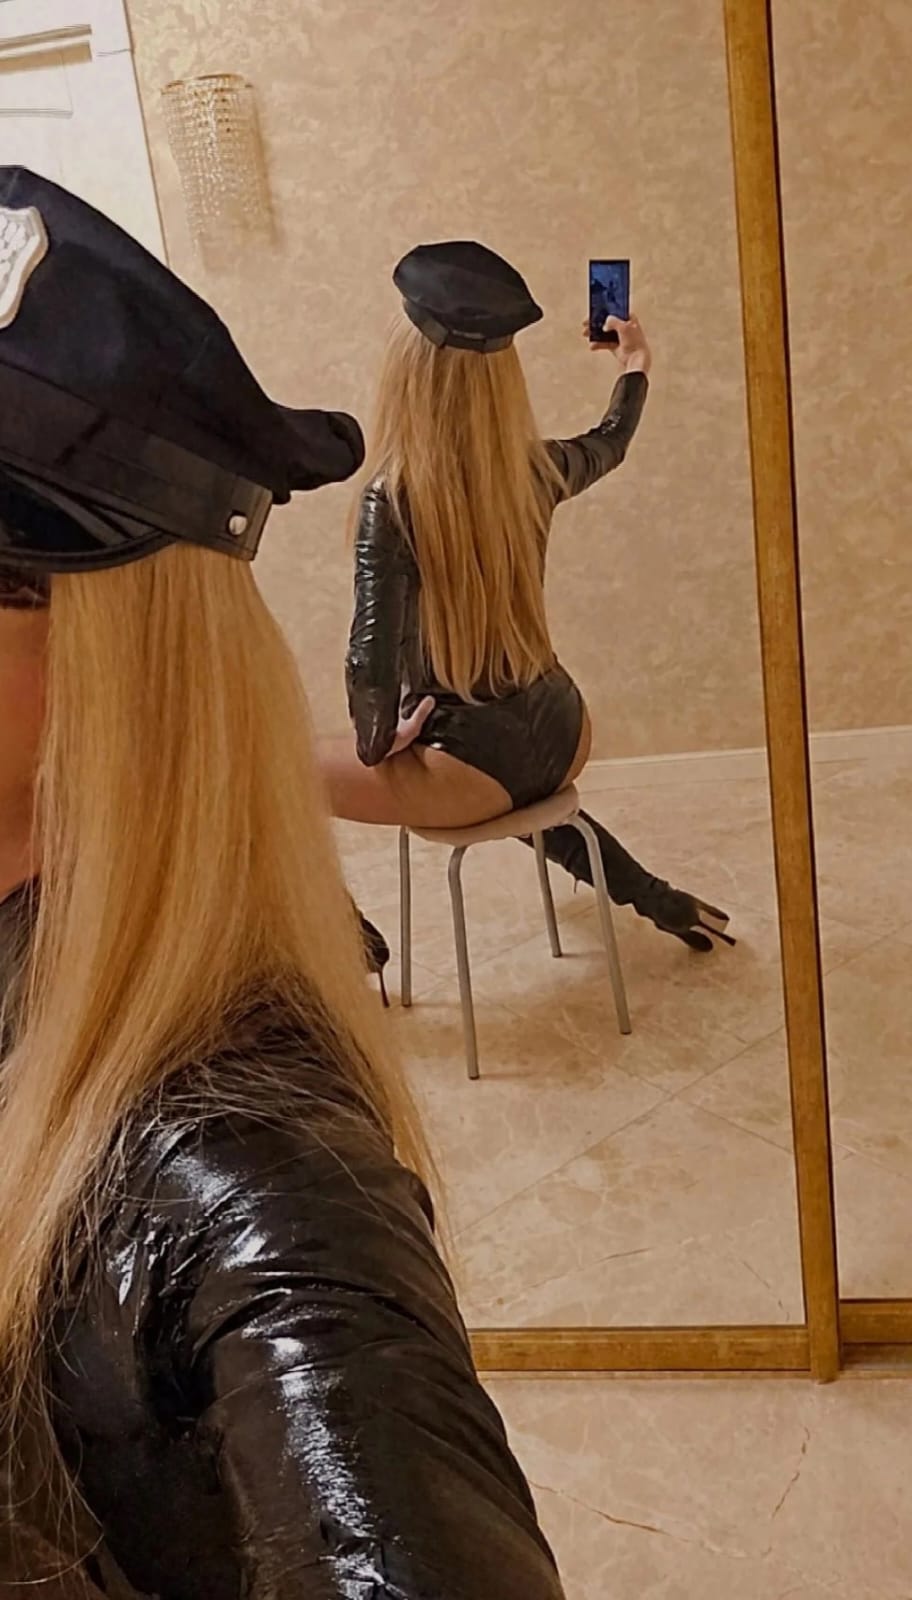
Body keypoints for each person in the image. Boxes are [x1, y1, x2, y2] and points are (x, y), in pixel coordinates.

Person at [0, 170, 565, 1599]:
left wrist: (384, 742)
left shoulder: (249, 1174)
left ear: (101, 651)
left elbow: (371, 706)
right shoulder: (517, 473)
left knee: (301, 766)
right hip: (546, 741)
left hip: (427, 771)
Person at [327, 240, 733, 971]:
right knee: (509, 788)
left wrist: (376, 741)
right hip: (565, 730)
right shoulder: (533, 470)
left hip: (470, 771)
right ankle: (658, 898)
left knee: (269, 775)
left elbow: (370, 662)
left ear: (407, 373)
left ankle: (346, 943)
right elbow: (610, 442)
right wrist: (635, 365)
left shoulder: (393, 499)